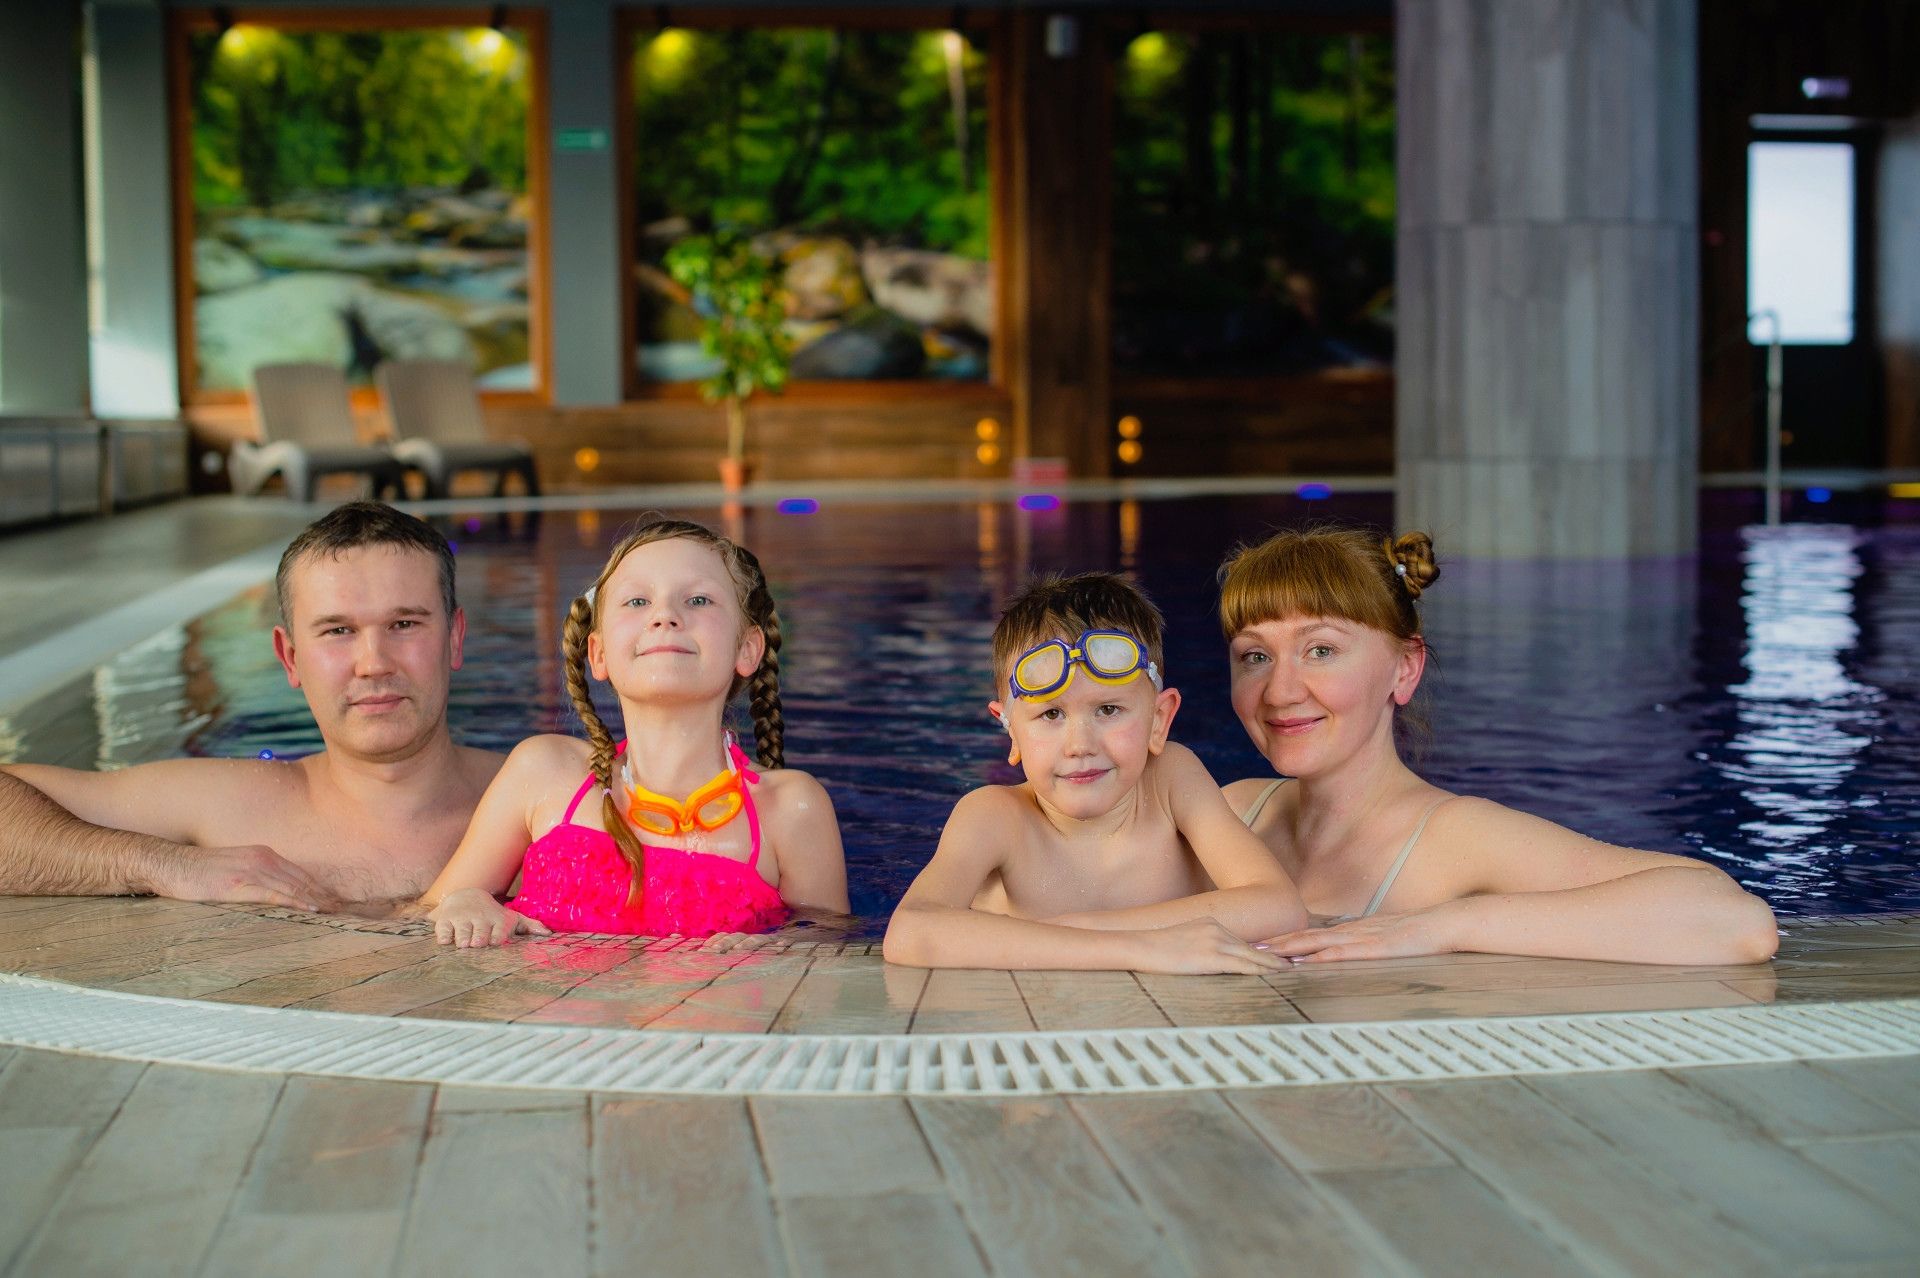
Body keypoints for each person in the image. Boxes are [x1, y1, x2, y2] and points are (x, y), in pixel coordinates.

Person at [1218, 526, 1780, 966]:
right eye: (1255, 656)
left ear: (1405, 668)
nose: (1281, 692)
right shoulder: (1235, 811)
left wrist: (1440, 927)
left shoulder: (1456, 837)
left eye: (1321, 650)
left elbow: (1736, 923)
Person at [0, 502, 504, 910]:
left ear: (454, 638)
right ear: (290, 657)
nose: (373, 663)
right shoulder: (227, 808)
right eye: (338, 631)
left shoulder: (530, 795)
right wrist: (166, 865)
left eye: (404, 624)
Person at [411, 517, 848, 946]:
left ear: (747, 649)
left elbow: (830, 954)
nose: (664, 616)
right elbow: (419, 918)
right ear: (598, 653)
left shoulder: (792, 809)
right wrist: (463, 902)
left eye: (698, 600)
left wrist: (780, 952)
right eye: (637, 601)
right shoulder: (542, 773)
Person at [884, 572, 1308, 973]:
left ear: (1158, 720)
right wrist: (1141, 948)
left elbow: (1278, 907)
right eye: (1051, 714)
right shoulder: (995, 817)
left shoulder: (1171, 781)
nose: (1080, 745)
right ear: (1011, 730)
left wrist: (1073, 932)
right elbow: (910, 932)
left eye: (1108, 709)